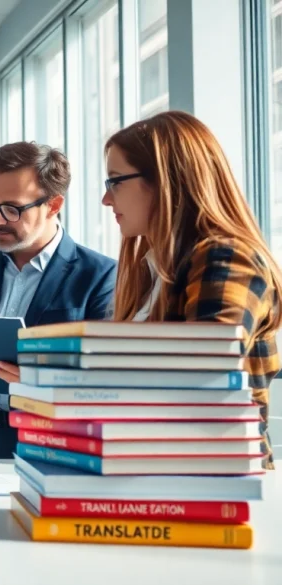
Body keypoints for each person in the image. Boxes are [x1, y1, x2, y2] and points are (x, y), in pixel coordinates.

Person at [102, 111, 282, 468]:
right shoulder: (154, 271)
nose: (106, 200)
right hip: (164, 473)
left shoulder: (227, 257)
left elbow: (203, 373)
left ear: (165, 181)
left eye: (114, 182)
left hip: (215, 481)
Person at [0, 142, 116, 458]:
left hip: (50, 443)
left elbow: (106, 380)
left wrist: (41, 382)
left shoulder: (99, 275)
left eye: (12, 209)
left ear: (54, 205)